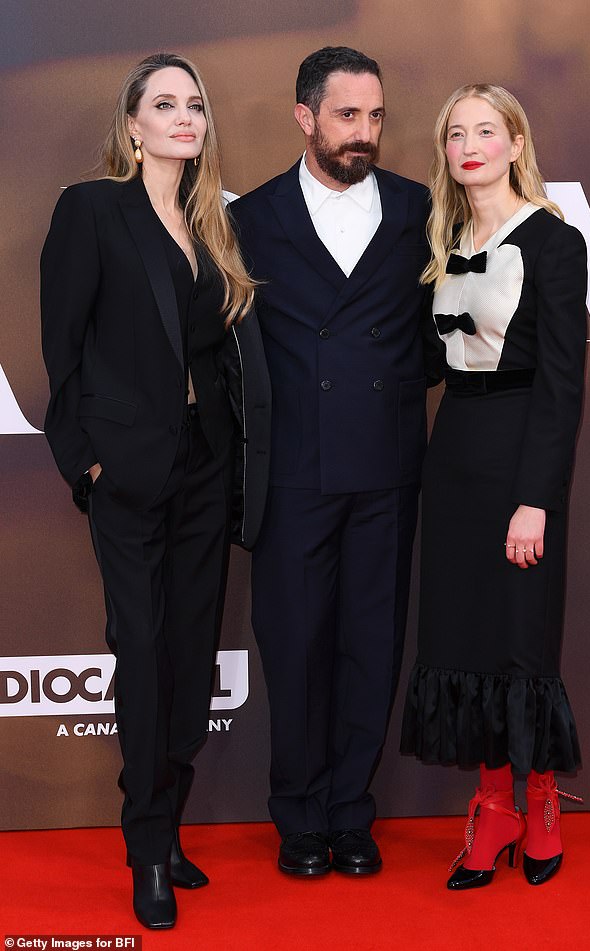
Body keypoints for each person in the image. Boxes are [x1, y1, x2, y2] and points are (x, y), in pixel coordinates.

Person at [40, 52, 270, 928]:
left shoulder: (214, 224)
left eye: (195, 105)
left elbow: (220, 357)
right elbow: (61, 348)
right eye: (164, 104)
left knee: (188, 656)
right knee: (140, 655)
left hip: (205, 470)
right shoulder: (90, 208)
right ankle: (145, 853)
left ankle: (170, 830)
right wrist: (84, 460)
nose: (184, 117)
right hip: (128, 472)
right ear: (131, 124)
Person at [230, 46, 439, 877]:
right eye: (348, 116)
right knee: (295, 645)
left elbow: (433, 337)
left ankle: (352, 813)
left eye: (376, 116)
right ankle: (299, 817)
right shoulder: (252, 217)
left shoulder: (420, 207)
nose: (365, 133)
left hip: (387, 465)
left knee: (371, 642)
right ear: (304, 116)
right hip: (294, 473)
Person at [400, 83, 587, 888]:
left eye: (486, 130)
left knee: (520, 636)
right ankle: (493, 807)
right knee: (461, 633)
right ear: (444, 151)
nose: (469, 145)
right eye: (455, 134)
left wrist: (536, 496)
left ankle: (540, 800)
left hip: (520, 454)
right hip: (454, 456)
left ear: (515, 141)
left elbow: (562, 384)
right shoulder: (439, 236)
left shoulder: (554, 240)